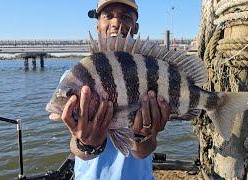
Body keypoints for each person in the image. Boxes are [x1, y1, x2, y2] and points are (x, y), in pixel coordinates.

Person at [59, 0, 170, 179]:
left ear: (135, 27)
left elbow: (142, 152)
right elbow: (76, 147)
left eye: (125, 16)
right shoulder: (75, 78)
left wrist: (142, 136)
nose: (116, 23)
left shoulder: (149, 73)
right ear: (97, 26)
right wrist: (86, 144)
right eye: (108, 15)